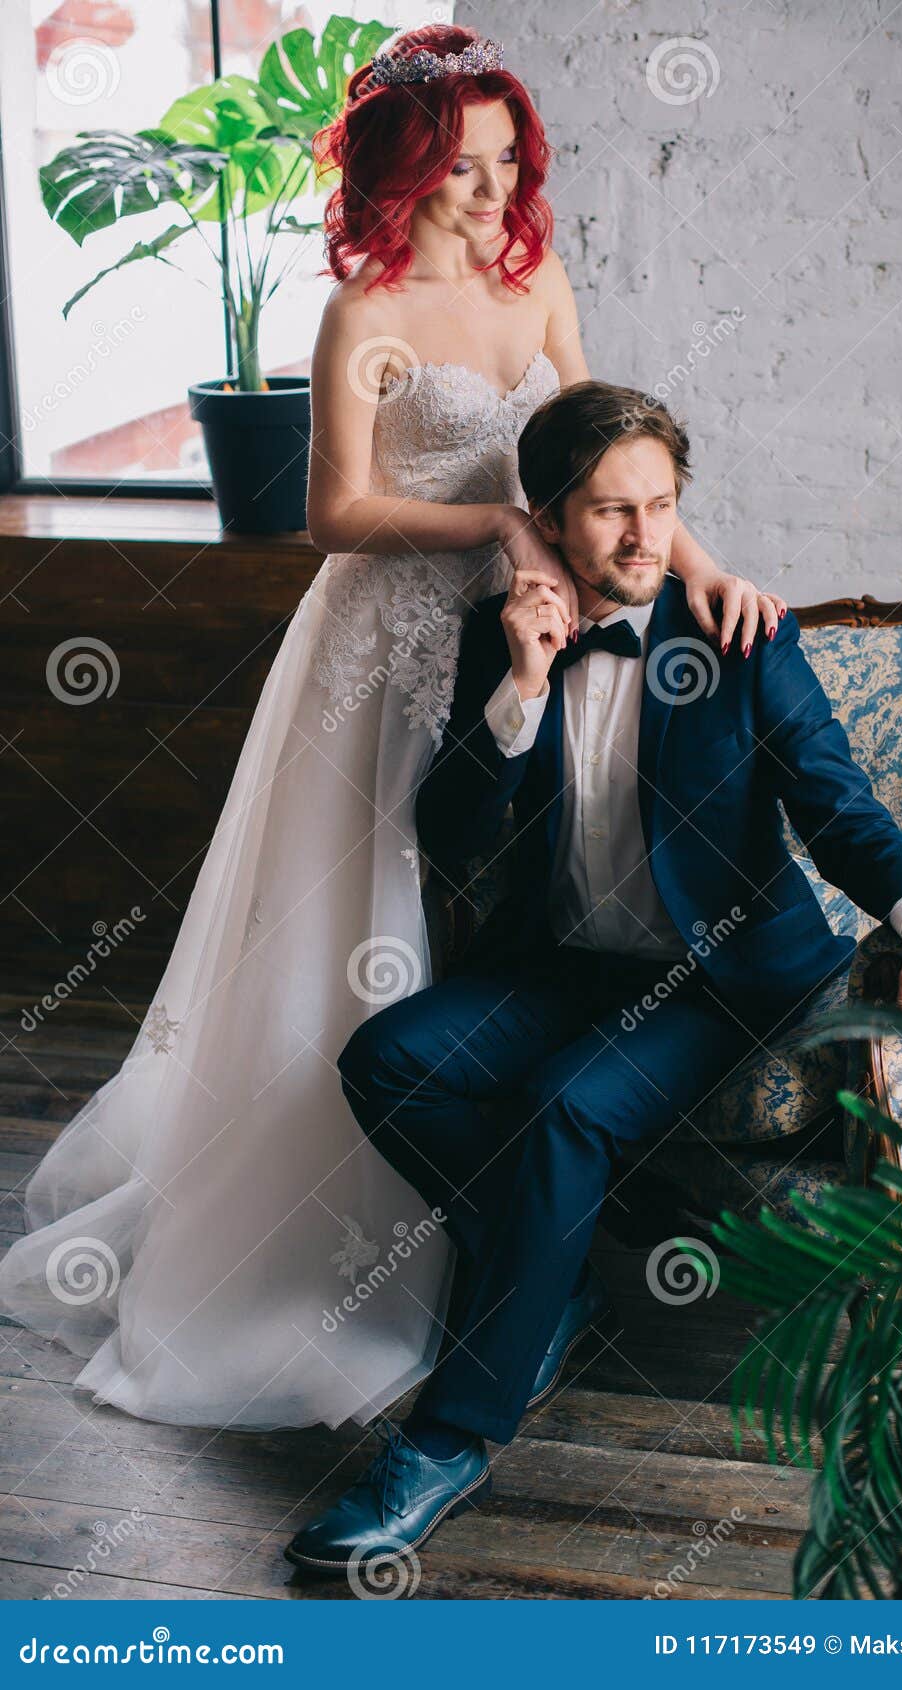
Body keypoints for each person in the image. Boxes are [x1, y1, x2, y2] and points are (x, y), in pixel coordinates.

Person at [0, 25, 785, 1432]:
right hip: (388, 641)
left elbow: (602, 451)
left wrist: (703, 564)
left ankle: (517, 1215)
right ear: (404, 173)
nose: (495, 196)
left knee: (496, 918)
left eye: (507, 164)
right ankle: (351, 1249)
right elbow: (333, 515)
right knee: (363, 922)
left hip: (521, 626)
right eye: (463, 170)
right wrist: (490, 519)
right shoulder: (362, 313)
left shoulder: (537, 278)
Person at [283, 379, 902, 1575]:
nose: (646, 537)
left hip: (723, 983)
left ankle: (449, 1437)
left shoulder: (740, 639)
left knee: (568, 1106)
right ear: (549, 519)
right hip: (570, 968)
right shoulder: (499, 634)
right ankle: (548, 1284)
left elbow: (838, 804)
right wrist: (521, 690)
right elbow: (450, 836)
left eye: (661, 506)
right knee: (387, 1060)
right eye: (612, 512)